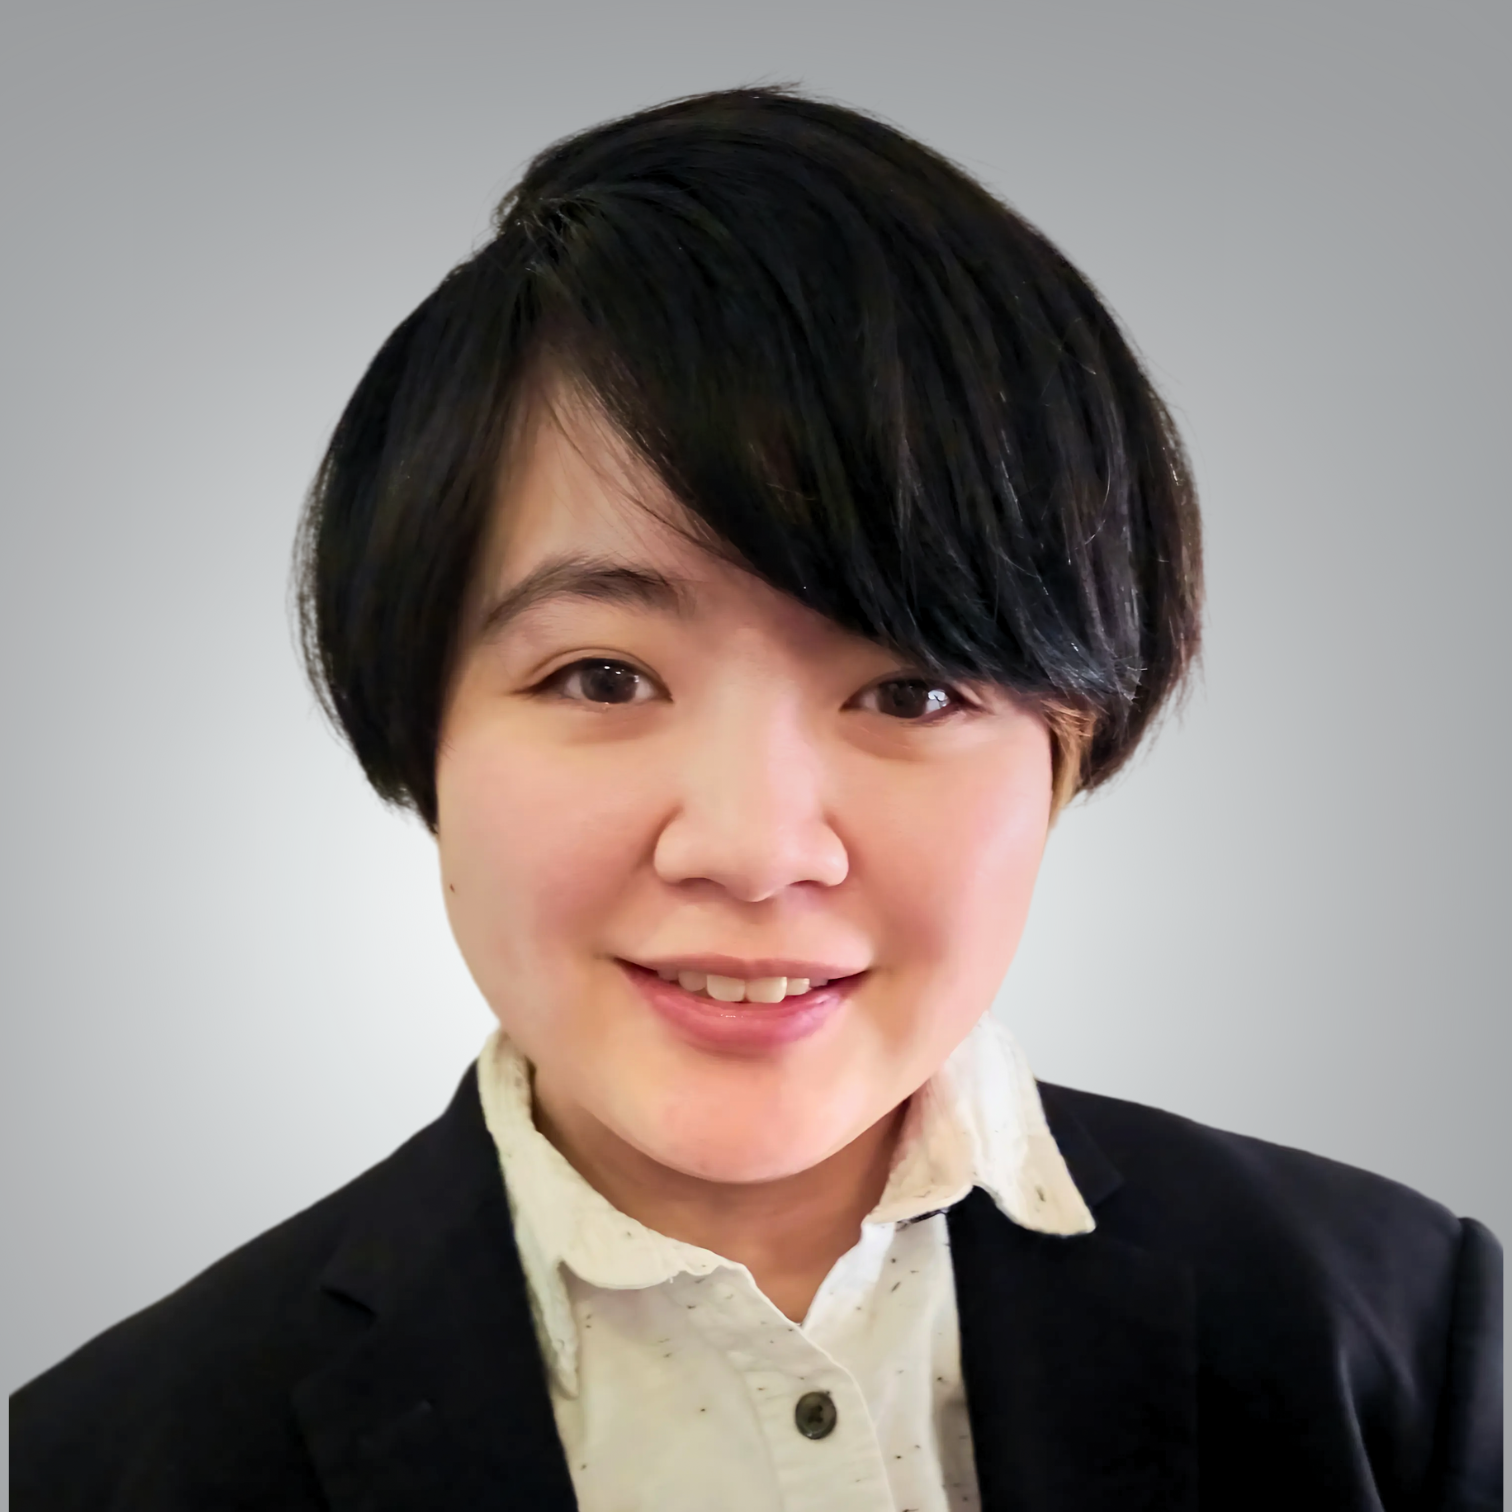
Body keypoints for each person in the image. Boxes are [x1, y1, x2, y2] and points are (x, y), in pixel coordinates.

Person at [10, 86, 1501, 1512]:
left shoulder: (1403, 1342)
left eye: (911, 691)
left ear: (1069, 740)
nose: (753, 849)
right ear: (421, 723)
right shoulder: (92, 1466)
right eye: (603, 677)